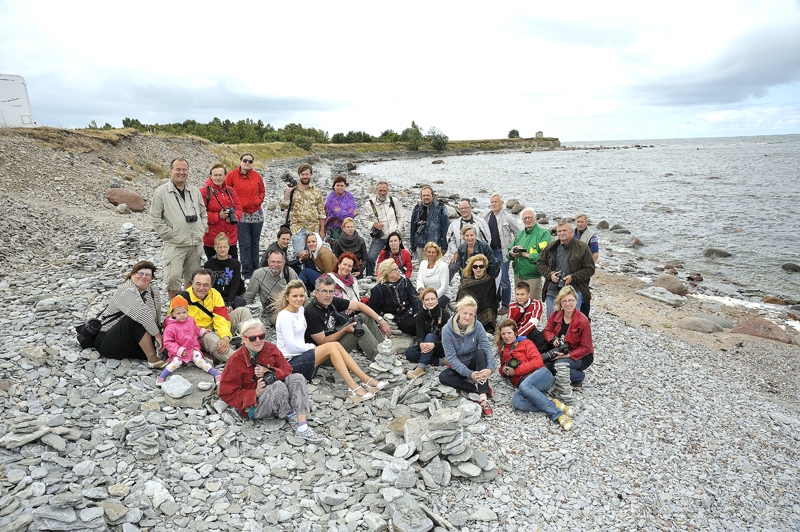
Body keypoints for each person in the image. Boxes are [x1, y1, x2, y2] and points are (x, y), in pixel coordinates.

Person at [275, 280, 387, 402]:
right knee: (332, 346)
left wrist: (380, 320)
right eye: (294, 296)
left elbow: (358, 306)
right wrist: (311, 347)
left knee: (335, 345)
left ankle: (366, 380)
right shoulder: (285, 317)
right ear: (287, 297)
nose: (299, 299)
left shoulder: (300, 310)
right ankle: (353, 387)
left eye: (301, 296)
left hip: (304, 356)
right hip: (290, 363)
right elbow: (291, 348)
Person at [218, 318, 324, 442]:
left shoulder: (270, 349)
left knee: (297, 378)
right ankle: (290, 413)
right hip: (254, 407)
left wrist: (271, 372)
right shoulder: (235, 360)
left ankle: (302, 426)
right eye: (252, 338)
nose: (258, 341)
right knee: (277, 385)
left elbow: (287, 369)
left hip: (277, 395)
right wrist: (254, 393)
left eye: (261, 336)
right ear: (243, 339)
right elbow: (225, 393)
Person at [497, 319, 574, 430]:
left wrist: (516, 371)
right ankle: (553, 403)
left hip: (541, 375)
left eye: (509, 333)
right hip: (526, 384)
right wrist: (503, 370)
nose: (506, 336)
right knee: (517, 402)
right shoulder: (503, 350)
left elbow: (537, 361)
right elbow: (502, 368)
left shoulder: (526, 343)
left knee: (524, 386)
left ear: (515, 333)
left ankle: (558, 415)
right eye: (503, 334)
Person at [150, 157, 208, 300]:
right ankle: (175, 309)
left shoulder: (194, 191)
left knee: (193, 277)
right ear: (171, 172)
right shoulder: (161, 192)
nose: (181, 172)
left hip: (195, 243)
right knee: (173, 278)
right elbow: (155, 218)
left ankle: (189, 307)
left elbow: (203, 212)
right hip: (175, 244)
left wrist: (202, 228)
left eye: (184, 169)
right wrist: (170, 235)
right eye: (178, 169)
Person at [94, 261, 165, 368]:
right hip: (108, 341)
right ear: (132, 275)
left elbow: (157, 315)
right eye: (140, 273)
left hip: (131, 340)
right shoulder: (127, 289)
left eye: (148, 275)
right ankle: (153, 359)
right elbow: (141, 314)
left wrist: (160, 332)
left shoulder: (153, 290)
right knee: (136, 319)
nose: (143, 277)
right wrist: (157, 335)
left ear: (152, 278)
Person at [304, 276, 393, 360]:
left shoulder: (331, 301)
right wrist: (345, 330)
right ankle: (381, 360)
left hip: (335, 342)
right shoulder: (311, 312)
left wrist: (381, 321)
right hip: (326, 354)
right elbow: (322, 342)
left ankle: (385, 351)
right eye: (324, 291)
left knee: (365, 316)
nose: (328, 295)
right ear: (316, 293)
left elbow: (359, 306)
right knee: (360, 328)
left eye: (331, 291)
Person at [439, 296, 495, 417]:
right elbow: (451, 358)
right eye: (465, 313)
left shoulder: (478, 326)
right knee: (443, 377)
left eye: (471, 314)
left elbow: (486, 348)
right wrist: (470, 374)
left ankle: (483, 398)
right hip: (458, 364)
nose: (467, 317)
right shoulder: (447, 330)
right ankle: (475, 387)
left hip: (473, 360)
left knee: (481, 353)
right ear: (459, 311)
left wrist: (490, 368)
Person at [181, 269, 252, 362]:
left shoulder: (214, 294)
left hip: (214, 326)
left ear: (211, 285)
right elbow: (173, 325)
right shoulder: (182, 299)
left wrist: (225, 337)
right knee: (213, 340)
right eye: (198, 284)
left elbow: (221, 317)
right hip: (198, 336)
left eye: (206, 285)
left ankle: (252, 346)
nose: (201, 288)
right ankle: (242, 361)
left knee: (243, 311)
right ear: (192, 284)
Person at [541, 285, 594, 399]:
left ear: (576, 300)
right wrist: (554, 339)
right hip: (561, 350)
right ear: (560, 303)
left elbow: (587, 348)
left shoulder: (583, 321)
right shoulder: (555, 315)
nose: (568, 304)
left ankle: (579, 377)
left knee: (558, 365)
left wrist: (566, 356)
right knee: (545, 365)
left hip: (581, 355)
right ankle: (564, 375)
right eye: (564, 301)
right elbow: (547, 331)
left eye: (571, 300)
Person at [156, 295, 221, 386]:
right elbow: (168, 342)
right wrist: (179, 350)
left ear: (187, 311)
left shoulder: (190, 320)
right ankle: (161, 377)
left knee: (199, 360)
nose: (182, 315)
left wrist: (203, 331)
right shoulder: (170, 328)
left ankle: (216, 374)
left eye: (184, 312)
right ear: (173, 314)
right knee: (176, 362)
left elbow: (195, 329)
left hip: (192, 348)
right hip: (178, 351)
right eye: (178, 313)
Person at [537, 220, 596, 318]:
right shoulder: (551, 247)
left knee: (572, 322)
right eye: (559, 231)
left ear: (572, 232)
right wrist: (550, 274)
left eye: (564, 230)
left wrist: (573, 277)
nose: (561, 233)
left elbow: (590, 269)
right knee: (552, 321)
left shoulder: (582, 247)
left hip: (574, 291)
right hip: (553, 291)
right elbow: (540, 264)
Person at [224, 154, 264, 279]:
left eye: (250, 161)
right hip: (240, 214)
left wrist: (259, 200)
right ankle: (247, 272)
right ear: (240, 161)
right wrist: (233, 208)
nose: (247, 163)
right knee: (244, 244)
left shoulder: (256, 175)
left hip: (256, 214)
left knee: (255, 244)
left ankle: (255, 269)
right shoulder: (231, 175)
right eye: (245, 160)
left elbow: (262, 191)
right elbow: (226, 191)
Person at [279, 163, 325, 260]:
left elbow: (321, 212)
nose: (305, 176)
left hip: (313, 228)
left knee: (312, 255)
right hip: (297, 227)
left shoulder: (316, 191)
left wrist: (322, 230)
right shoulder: (292, 189)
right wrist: (287, 191)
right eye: (303, 174)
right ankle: (297, 274)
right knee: (298, 254)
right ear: (299, 175)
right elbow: (283, 205)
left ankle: (308, 273)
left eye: (307, 174)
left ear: (311, 175)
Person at [484, 193, 520, 314]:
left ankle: (505, 305)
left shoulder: (508, 217)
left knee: (504, 279)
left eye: (496, 202)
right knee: (493, 277)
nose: (493, 204)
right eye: (492, 202)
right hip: (490, 252)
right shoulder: (487, 217)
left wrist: (514, 248)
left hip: (503, 251)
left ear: (502, 203)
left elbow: (518, 233)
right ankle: (496, 302)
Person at [507, 207, 551, 304]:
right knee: (520, 304)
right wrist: (512, 253)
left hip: (533, 278)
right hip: (518, 276)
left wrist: (528, 255)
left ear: (535, 218)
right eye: (525, 218)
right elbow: (508, 251)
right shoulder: (520, 234)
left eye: (530, 217)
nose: (527, 220)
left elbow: (547, 256)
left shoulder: (543, 234)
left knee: (532, 305)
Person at [405, 288, 450, 379]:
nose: (430, 302)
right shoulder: (420, 316)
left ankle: (421, 367)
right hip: (426, 347)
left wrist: (434, 345)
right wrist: (421, 344)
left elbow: (449, 339)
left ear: (437, 299)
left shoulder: (445, 315)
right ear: (423, 301)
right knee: (409, 353)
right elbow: (419, 335)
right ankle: (441, 362)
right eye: (427, 299)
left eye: (433, 299)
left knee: (430, 336)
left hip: (441, 346)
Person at [200, 162, 242, 261]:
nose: (218, 178)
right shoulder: (204, 192)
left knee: (232, 267)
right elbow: (200, 214)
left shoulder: (230, 191)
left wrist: (234, 217)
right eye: (215, 175)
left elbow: (239, 208)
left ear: (225, 176)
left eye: (220, 175)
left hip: (230, 238)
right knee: (215, 270)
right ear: (211, 176)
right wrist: (218, 216)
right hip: (212, 239)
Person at [245, 249, 299, 326]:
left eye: (279, 262)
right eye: (273, 262)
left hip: (292, 307)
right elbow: (249, 297)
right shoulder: (258, 274)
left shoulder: (289, 272)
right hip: (274, 312)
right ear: (268, 261)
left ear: (283, 262)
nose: (276, 265)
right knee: (285, 320)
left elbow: (302, 291)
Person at [369, 259, 421, 336]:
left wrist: (418, 313)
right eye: (396, 269)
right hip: (397, 317)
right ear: (389, 273)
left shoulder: (405, 281)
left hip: (410, 311)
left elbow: (415, 298)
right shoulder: (379, 289)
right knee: (413, 325)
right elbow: (374, 309)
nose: (399, 270)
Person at [362, 181, 404, 277]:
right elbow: (363, 220)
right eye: (380, 190)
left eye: (384, 191)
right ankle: (370, 277)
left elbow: (401, 217)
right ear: (376, 191)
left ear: (388, 191)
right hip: (379, 238)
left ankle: (400, 277)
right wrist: (373, 224)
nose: (382, 193)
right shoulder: (370, 204)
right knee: (371, 258)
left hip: (393, 237)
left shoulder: (394, 201)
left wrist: (397, 231)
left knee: (399, 259)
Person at [446, 199, 492, 281]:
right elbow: (450, 240)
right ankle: (444, 288)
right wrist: (455, 252)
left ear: (471, 208)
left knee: (477, 272)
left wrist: (482, 254)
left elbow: (487, 239)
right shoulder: (454, 224)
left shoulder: (480, 222)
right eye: (461, 209)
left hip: (477, 254)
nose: (464, 210)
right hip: (460, 254)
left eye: (466, 208)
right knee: (450, 268)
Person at [456, 254, 499, 334]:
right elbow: (460, 300)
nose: (478, 269)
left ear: (485, 267)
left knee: (488, 307)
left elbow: (491, 300)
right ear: (472, 268)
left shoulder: (490, 281)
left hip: (484, 309)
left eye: (481, 266)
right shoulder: (465, 282)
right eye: (475, 266)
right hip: (469, 308)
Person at [203, 233, 246, 310]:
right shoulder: (209, 264)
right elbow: (210, 285)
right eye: (219, 247)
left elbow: (235, 284)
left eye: (225, 247)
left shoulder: (235, 264)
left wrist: (229, 302)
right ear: (215, 247)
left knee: (240, 303)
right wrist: (219, 301)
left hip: (232, 295)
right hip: (215, 295)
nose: (222, 249)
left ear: (229, 247)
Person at [410, 185, 450, 261]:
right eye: (424, 195)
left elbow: (445, 228)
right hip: (420, 245)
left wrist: (444, 246)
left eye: (428, 195)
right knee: (423, 268)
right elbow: (412, 228)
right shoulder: (417, 208)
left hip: (436, 245)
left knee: (436, 269)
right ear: (421, 197)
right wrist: (412, 246)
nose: (426, 197)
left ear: (432, 196)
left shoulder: (440, 208)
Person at [507, 281, 546, 351]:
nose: (519, 297)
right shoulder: (512, 306)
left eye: (522, 294)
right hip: (516, 334)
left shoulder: (536, 303)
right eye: (517, 294)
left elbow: (533, 322)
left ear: (529, 294)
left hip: (529, 333)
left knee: (536, 333)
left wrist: (517, 335)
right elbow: (509, 324)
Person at [574, 213, 599, 318]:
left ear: (586, 223)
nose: (580, 224)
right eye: (578, 222)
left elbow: (595, 254)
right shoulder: (572, 233)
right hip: (571, 268)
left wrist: (586, 267)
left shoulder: (591, 236)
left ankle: (584, 316)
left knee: (583, 291)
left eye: (582, 222)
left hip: (584, 269)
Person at [323, 175, 358, 243]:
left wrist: (349, 214)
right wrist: (349, 213)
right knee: (336, 251)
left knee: (348, 250)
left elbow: (355, 211)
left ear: (345, 186)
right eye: (337, 185)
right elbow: (339, 214)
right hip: (334, 229)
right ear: (334, 186)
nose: (340, 187)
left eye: (342, 185)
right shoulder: (331, 198)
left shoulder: (349, 196)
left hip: (348, 228)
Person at [415, 242, 450, 308]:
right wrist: (421, 291)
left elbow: (444, 288)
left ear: (437, 253)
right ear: (425, 252)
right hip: (426, 294)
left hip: (441, 294)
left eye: (433, 252)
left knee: (431, 306)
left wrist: (432, 297)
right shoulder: (423, 263)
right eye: (429, 252)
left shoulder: (443, 266)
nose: (431, 254)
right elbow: (419, 280)